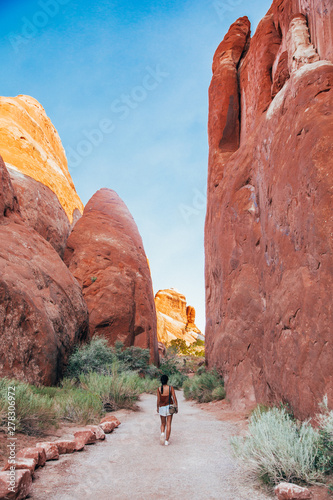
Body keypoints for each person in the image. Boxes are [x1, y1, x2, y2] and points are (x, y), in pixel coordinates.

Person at [156, 374, 178, 446]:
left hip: (162, 407)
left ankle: (162, 432)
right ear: (167, 380)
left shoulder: (159, 389)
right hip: (170, 407)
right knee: (168, 424)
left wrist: (157, 407)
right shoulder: (170, 388)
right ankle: (166, 440)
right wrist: (176, 407)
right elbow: (174, 398)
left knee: (163, 423)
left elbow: (158, 400)